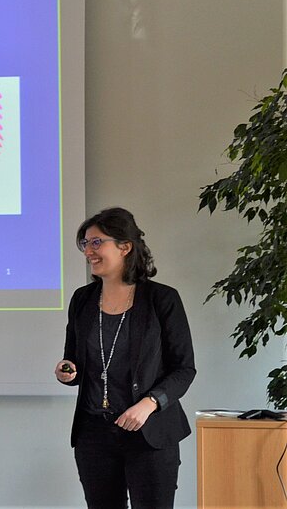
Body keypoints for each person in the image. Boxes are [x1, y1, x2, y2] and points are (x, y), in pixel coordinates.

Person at [55, 207, 196, 509]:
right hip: (94, 435)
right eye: (85, 244)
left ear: (125, 247)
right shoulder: (82, 299)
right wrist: (67, 371)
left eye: (96, 242)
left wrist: (149, 403)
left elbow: (184, 369)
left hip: (149, 432)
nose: (88, 251)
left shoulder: (162, 299)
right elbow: (74, 360)